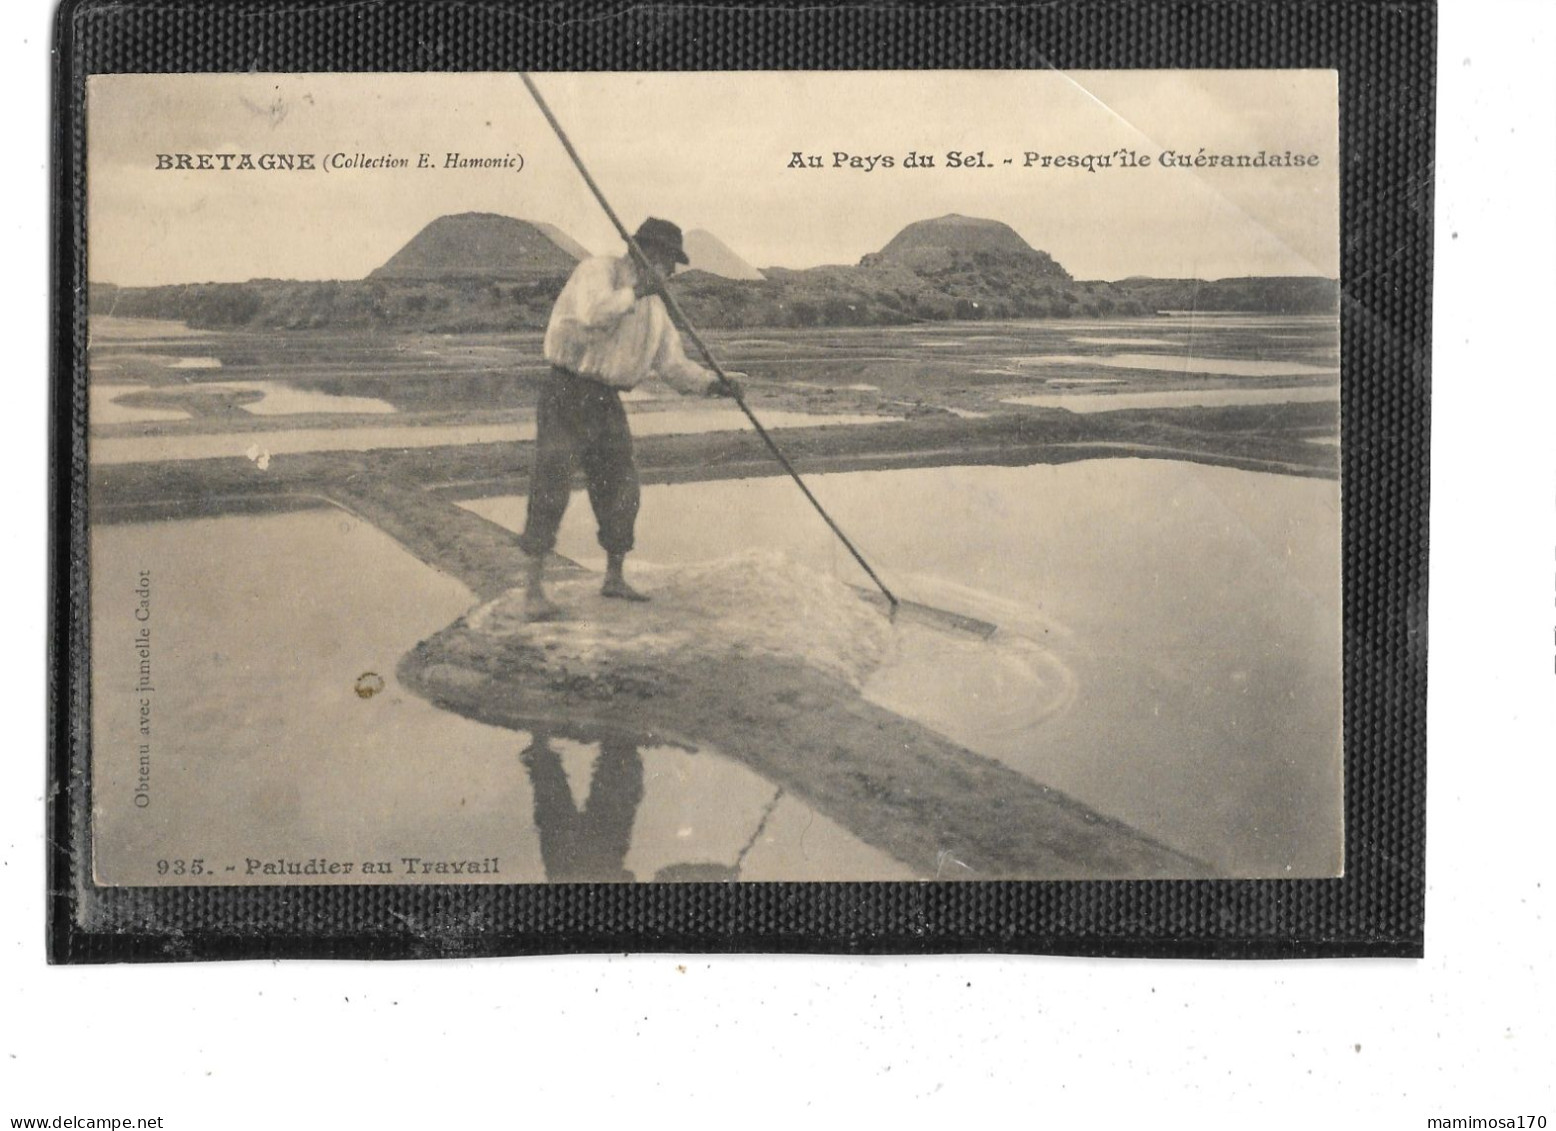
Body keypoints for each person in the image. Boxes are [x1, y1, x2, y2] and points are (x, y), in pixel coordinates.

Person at [517, 217, 741, 621]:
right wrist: (636, 291)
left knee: (621, 487)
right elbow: (592, 314)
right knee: (551, 483)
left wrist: (714, 385)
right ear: (645, 253)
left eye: (673, 263)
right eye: (667, 261)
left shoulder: (655, 308)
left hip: (606, 401)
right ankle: (532, 590)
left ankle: (614, 578)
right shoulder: (598, 271)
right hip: (566, 391)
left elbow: (672, 364)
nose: (671, 271)